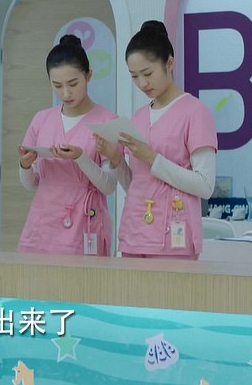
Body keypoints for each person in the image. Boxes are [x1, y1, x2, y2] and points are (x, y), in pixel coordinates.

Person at [96, 20, 217, 260]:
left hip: (174, 237)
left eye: (148, 73)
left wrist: (153, 158)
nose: (142, 83)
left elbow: (205, 186)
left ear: (169, 63)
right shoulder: (139, 117)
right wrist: (116, 159)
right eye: (134, 76)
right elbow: (137, 185)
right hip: (134, 235)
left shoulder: (195, 112)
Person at [16, 34, 117, 255]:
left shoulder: (107, 122)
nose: (66, 93)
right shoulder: (41, 119)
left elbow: (109, 186)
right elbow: (32, 184)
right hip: (42, 225)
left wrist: (80, 158)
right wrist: (25, 165)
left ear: (88, 76)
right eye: (57, 86)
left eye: (73, 84)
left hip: (84, 225)